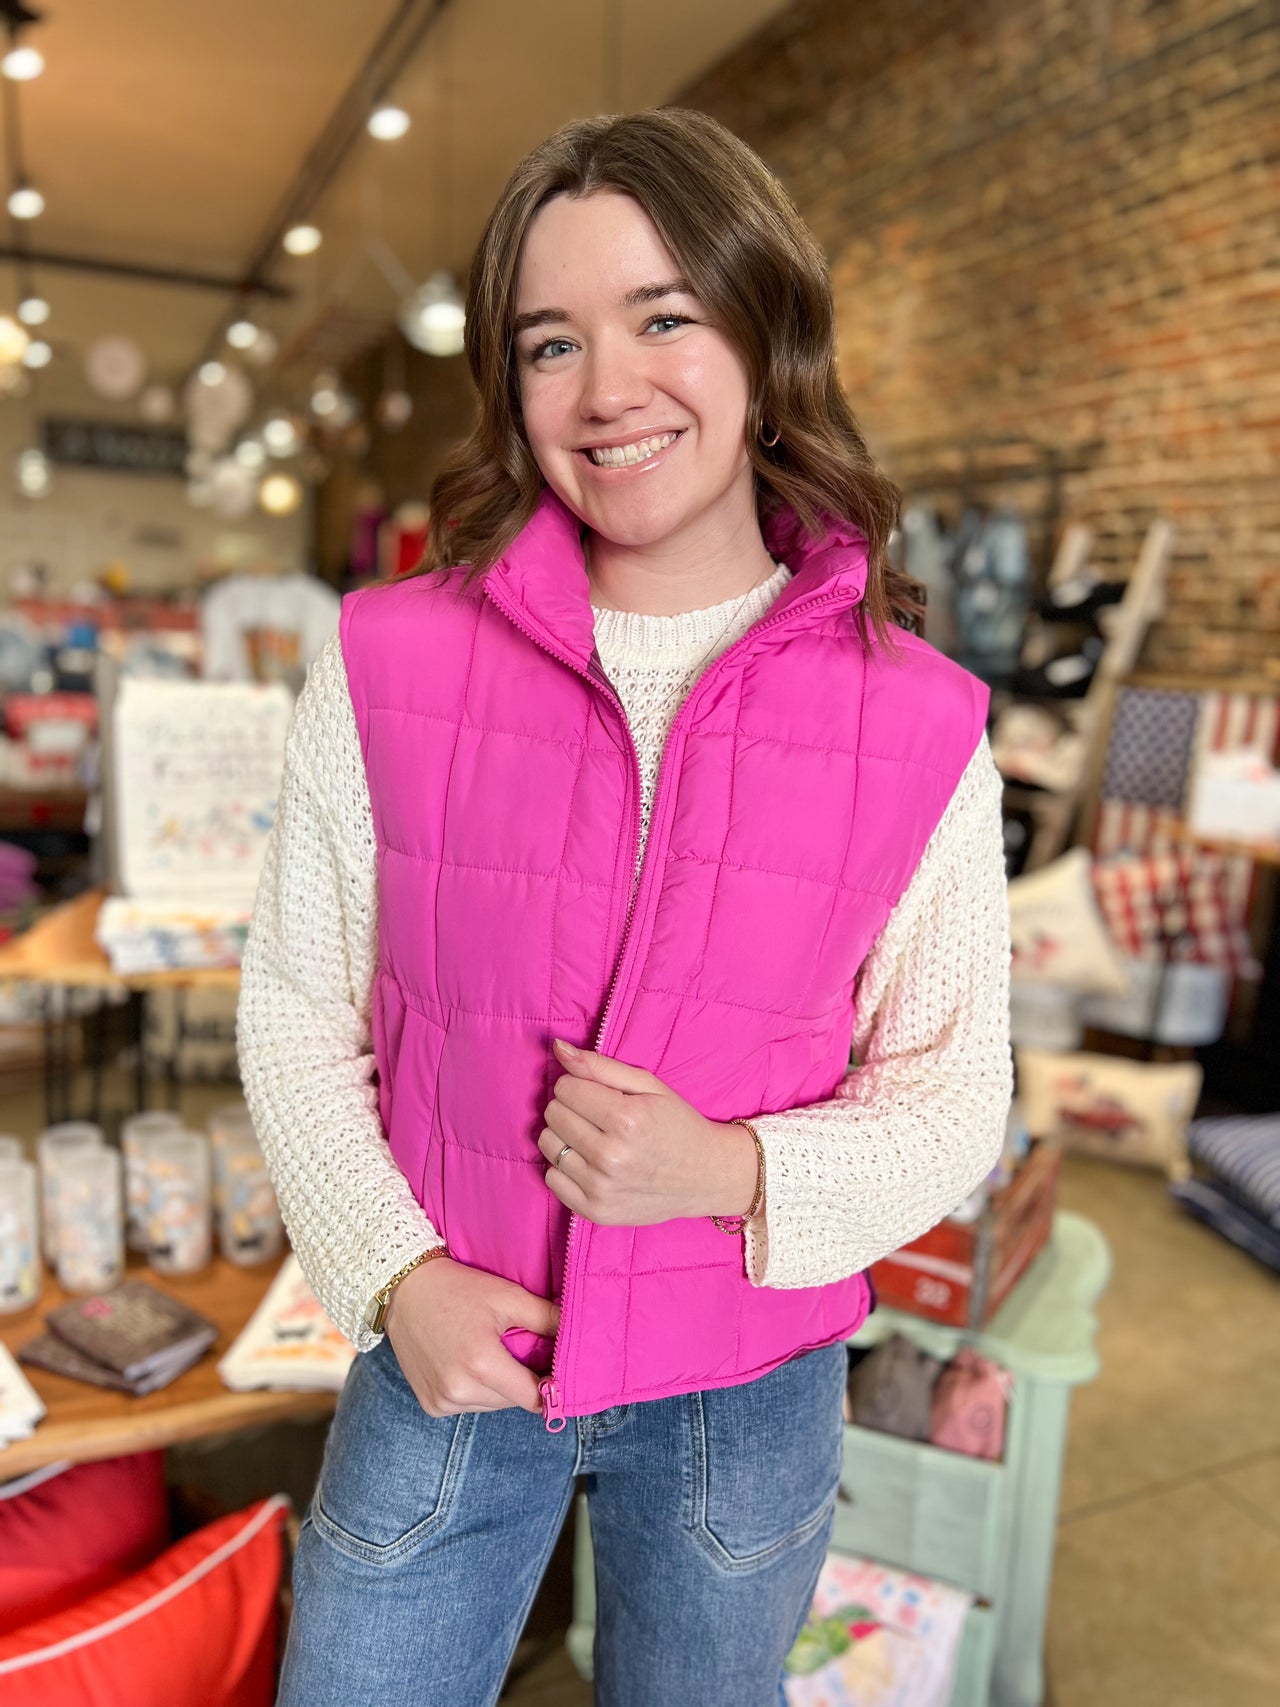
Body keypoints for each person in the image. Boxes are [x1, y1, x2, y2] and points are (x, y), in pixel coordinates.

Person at [237, 107, 1011, 1707]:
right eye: (549, 342)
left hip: (749, 1386)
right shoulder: (385, 660)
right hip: (452, 1353)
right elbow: (298, 1013)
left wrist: (724, 1170)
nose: (608, 391)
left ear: (761, 326)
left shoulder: (923, 720)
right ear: (508, 386)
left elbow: (951, 1097)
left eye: (665, 316)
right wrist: (395, 1277)